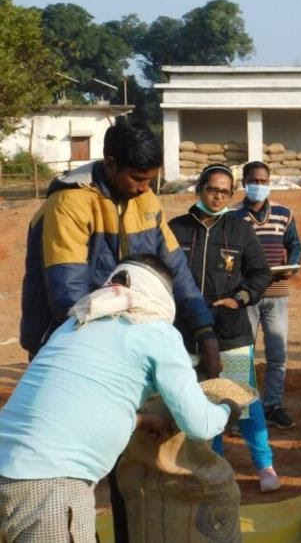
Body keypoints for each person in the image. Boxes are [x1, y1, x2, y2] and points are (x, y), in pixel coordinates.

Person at [0, 255, 239, 543]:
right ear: (162, 294)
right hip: (49, 486)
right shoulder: (156, 332)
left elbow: (79, 402)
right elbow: (198, 424)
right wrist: (227, 410)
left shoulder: (75, 324)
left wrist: (143, 420)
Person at [21, 117, 222, 378]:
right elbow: (70, 296)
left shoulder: (147, 201)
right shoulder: (69, 204)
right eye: (137, 179)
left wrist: (204, 330)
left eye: (150, 180)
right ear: (110, 163)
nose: (144, 189)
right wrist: (113, 350)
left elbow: (176, 270)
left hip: (124, 343)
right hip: (68, 344)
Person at [169, 164, 279, 493]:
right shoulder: (175, 229)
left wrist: (241, 298)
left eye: (225, 191)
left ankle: (265, 465)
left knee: (242, 399)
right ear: (199, 188)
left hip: (230, 331)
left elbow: (260, 272)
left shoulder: (239, 230)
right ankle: (216, 464)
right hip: (186, 332)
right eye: (212, 189)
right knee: (200, 400)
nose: (218, 196)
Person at [234, 160, 301, 430]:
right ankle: (241, 409)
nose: (259, 186)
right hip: (246, 295)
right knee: (242, 355)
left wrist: (294, 267)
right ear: (244, 183)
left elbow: (295, 245)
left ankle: (273, 405)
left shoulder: (284, 214)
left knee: (278, 353)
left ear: (270, 182)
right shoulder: (232, 217)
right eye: (254, 181)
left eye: (263, 181)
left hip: (276, 293)